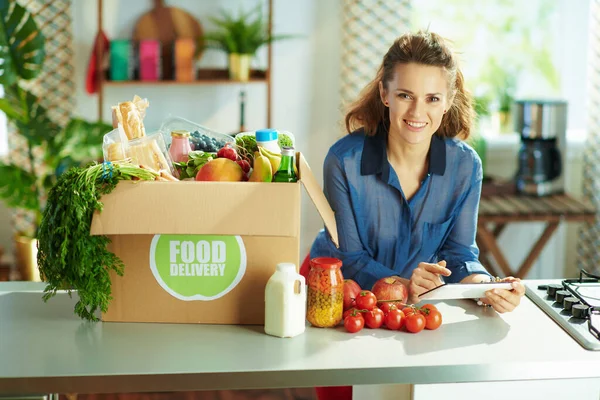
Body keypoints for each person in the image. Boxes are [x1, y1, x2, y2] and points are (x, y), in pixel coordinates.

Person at [310, 30, 526, 400]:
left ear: (447, 102)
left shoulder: (464, 166)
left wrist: (487, 288)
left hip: (414, 307)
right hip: (342, 296)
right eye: (405, 96)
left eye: (432, 99)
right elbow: (350, 258)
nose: (417, 113)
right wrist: (405, 282)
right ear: (385, 94)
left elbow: (460, 254)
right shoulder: (344, 161)